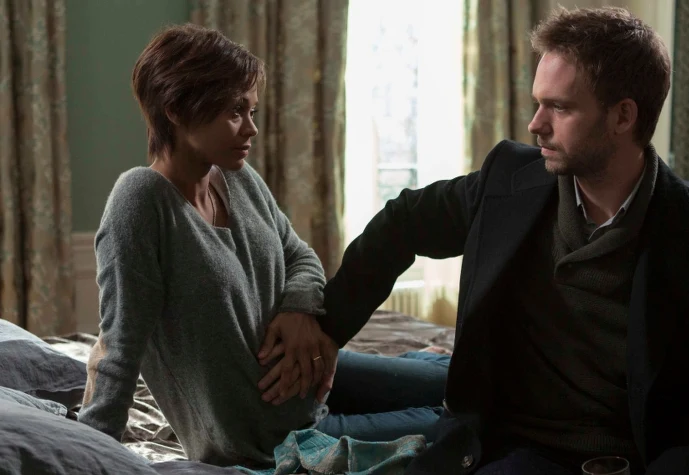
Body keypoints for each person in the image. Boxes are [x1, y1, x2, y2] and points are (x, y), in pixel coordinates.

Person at [318, 6, 689, 475]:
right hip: (479, 392)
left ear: (623, 116)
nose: (536, 123)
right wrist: (326, 329)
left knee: (315, 430)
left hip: (552, 448)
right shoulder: (511, 177)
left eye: (560, 107)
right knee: (292, 378)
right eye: (538, 102)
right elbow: (405, 220)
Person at [77, 24, 446, 469]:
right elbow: (117, 349)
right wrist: (85, 460)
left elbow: (301, 256)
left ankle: (421, 364)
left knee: (472, 374)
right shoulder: (140, 201)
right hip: (279, 436)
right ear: (175, 109)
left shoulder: (237, 178)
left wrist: (297, 309)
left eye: (252, 110)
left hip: (316, 372)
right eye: (236, 111)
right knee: (474, 419)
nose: (251, 128)